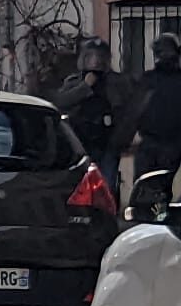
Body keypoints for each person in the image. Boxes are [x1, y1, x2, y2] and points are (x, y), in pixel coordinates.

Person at [55, 37, 141, 194]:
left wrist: (122, 139)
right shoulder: (75, 81)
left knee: (106, 188)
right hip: (82, 144)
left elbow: (129, 113)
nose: (96, 62)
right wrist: (85, 87)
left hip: (108, 144)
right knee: (79, 187)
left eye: (100, 57)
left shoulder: (118, 82)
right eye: (92, 57)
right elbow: (61, 102)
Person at [132, 32, 181, 179]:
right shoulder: (147, 80)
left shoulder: (147, 80)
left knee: (146, 188)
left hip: (165, 143)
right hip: (154, 142)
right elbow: (135, 111)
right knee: (149, 188)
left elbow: (134, 112)